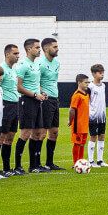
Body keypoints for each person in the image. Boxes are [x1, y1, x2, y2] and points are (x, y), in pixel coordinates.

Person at [14, 38, 43, 172]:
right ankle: (18, 166)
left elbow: (35, 84)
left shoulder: (37, 64)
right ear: (29, 49)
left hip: (37, 100)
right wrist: (35, 95)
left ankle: (34, 165)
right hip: (27, 101)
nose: (39, 50)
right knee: (25, 133)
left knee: (37, 133)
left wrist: (41, 92)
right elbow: (19, 87)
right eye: (37, 47)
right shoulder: (23, 64)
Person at [38, 37, 64, 170]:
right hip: (45, 100)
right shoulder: (40, 64)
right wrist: (42, 92)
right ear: (46, 48)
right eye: (54, 47)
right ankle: (36, 163)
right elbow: (35, 82)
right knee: (42, 132)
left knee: (54, 132)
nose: (57, 49)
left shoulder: (57, 63)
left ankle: (49, 162)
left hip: (55, 99)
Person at [0, 44, 21, 175]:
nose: (18, 56)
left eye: (18, 53)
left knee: (11, 136)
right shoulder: (2, 69)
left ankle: (7, 168)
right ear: (7, 54)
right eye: (15, 53)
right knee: (1, 136)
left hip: (15, 104)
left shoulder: (14, 69)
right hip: (5, 105)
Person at [87, 64, 108, 167]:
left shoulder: (103, 85)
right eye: (100, 73)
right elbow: (88, 101)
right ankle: (91, 161)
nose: (102, 74)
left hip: (102, 116)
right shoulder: (90, 86)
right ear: (94, 74)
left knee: (102, 136)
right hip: (93, 116)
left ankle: (100, 160)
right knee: (93, 136)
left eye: (103, 72)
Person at [68, 74, 90, 166]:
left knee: (82, 144)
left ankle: (80, 161)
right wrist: (70, 120)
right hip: (78, 125)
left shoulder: (86, 94)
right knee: (77, 143)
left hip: (85, 124)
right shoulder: (76, 95)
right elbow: (72, 109)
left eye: (88, 82)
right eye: (85, 82)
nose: (87, 84)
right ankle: (75, 162)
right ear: (79, 82)